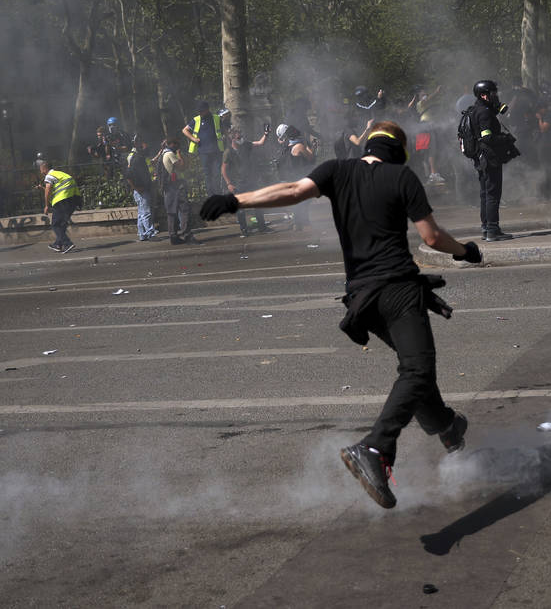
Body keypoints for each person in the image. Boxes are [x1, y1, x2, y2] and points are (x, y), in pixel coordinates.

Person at [200, 120, 481, 509]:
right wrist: (466, 250)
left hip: (362, 298)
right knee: (417, 370)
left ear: (366, 144)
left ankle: (447, 427)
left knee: (412, 368)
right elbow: (432, 237)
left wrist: (236, 201)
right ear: (399, 150)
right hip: (399, 290)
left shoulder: (337, 169)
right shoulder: (403, 176)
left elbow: (293, 191)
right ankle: (376, 448)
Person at [469, 80, 519, 241]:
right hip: (489, 159)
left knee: (485, 194)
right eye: (493, 93)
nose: (496, 96)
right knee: (492, 194)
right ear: (484, 95)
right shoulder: (483, 112)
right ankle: (492, 230)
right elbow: (487, 137)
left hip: (481, 158)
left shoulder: (477, 109)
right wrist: (505, 139)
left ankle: (486, 228)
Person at [221, 129, 266, 237]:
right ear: (232, 139)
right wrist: (229, 183)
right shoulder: (228, 152)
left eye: (241, 136)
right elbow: (223, 169)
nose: (241, 139)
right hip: (238, 183)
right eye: (238, 138)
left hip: (251, 180)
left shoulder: (246, 145)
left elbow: (260, 143)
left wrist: (266, 134)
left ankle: (262, 226)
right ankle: (244, 229)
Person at [35, 157, 81, 253]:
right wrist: (42, 188)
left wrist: (46, 205)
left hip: (61, 201)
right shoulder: (59, 174)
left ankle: (67, 243)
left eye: (40, 169)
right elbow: (56, 189)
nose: (40, 172)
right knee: (62, 224)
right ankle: (58, 244)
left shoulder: (49, 176)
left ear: (44, 169)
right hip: (73, 199)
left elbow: (48, 190)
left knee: (55, 224)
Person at [156, 137, 195, 245]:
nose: (177, 146)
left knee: (171, 212)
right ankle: (186, 235)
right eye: (176, 144)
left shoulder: (163, 154)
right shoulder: (170, 154)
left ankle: (173, 236)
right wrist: (180, 155)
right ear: (170, 144)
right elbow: (182, 167)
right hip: (176, 187)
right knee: (184, 210)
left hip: (168, 187)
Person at [182, 101, 226, 196]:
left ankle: (218, 194)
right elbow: (185, 130)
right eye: (199, 111)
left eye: (202, 111)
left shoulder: (216, 118)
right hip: (203, 151)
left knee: (216, 174)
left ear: (207, 109)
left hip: (216, 151)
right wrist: (193, 139)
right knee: (207, 175)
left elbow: (223, 131)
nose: (200, 113)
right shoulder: (196, 119)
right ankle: (211, 196)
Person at [125, 135, 158, 241]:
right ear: (135, 143)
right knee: (146, 212)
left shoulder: (137, 156)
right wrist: (137, 187)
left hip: (140, 188)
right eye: (140, 142)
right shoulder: (136, 158)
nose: (143, 144)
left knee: (141, 212)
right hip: (141, 188)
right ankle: (150, 233)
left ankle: (142, 234)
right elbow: (129, 175)